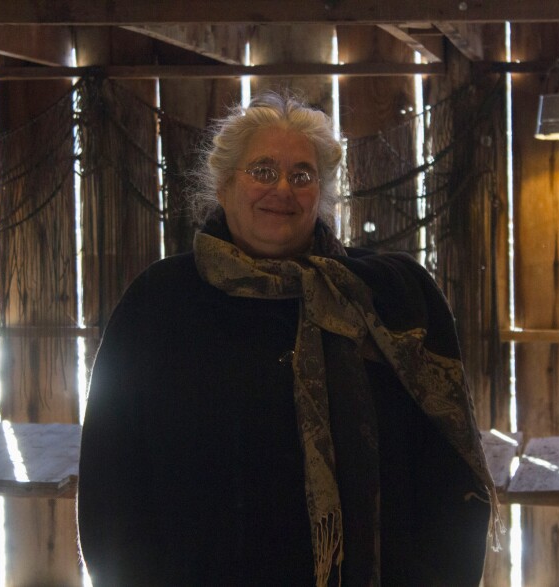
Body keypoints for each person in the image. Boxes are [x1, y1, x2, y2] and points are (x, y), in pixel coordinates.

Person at [77, 91, 497, 586]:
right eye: (262, 170)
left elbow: (447, 469)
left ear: (321, 193)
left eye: (302, 175)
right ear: (225, 183)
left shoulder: (389, 297)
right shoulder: (159, 304)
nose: (283, 189)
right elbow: (111, 483)